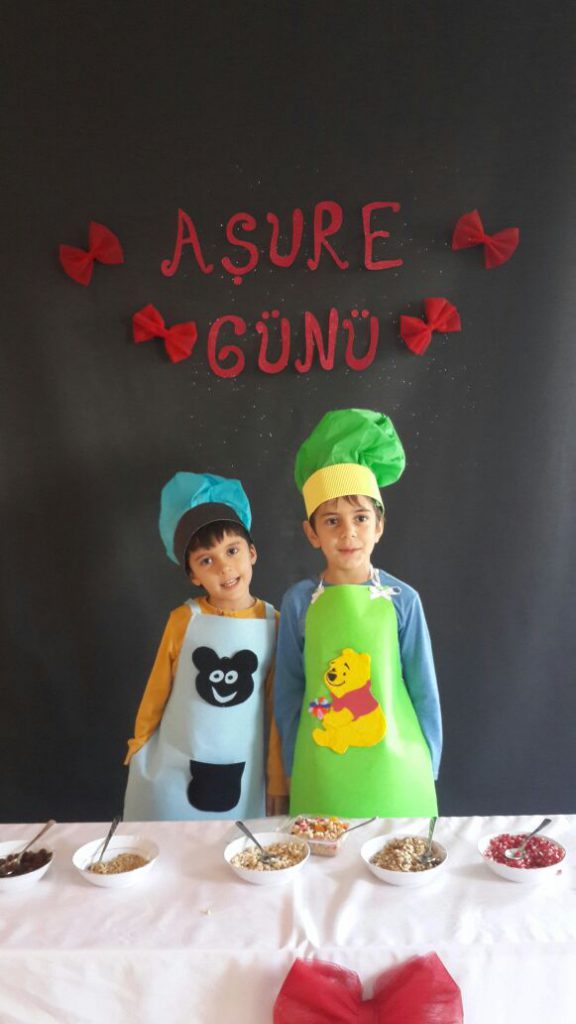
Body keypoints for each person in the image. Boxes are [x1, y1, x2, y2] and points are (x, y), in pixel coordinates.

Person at [274, 409, 441, 817]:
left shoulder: (403, 599)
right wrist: (294, 765)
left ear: (379, 526)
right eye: (332, 521)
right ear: (312, 533)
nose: (348, 532)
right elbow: (289, 689)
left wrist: (428, 761)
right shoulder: (298, 602)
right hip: (321, 766)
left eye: (361, 518)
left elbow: (423, 686)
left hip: (396, 768)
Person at [124, 471, 288, 820]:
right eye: (206, 560)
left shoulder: (275, 623)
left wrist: (277, 777)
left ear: (252, 552)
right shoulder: (184, 619)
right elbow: (157, 690)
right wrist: (139, 744)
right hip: (174, 761)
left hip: (243, 765)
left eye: (232, 550)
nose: (224, 567)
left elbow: (277, 708)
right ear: (193, 575)